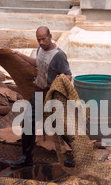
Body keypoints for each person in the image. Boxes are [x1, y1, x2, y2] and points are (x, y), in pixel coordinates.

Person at [11, 26, 74, 168]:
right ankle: (26, 158)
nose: (40, 42)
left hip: (52, 95)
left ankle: (79, 153)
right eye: (38, 39)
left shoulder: (59, 56)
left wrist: (63, 78)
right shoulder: (40, 49)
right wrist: (20, 55)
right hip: (38, 93)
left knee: (59, 127)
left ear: (50, 36)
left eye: (43, 39)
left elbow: (69, 74)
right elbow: (38, 64)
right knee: (28, 122)